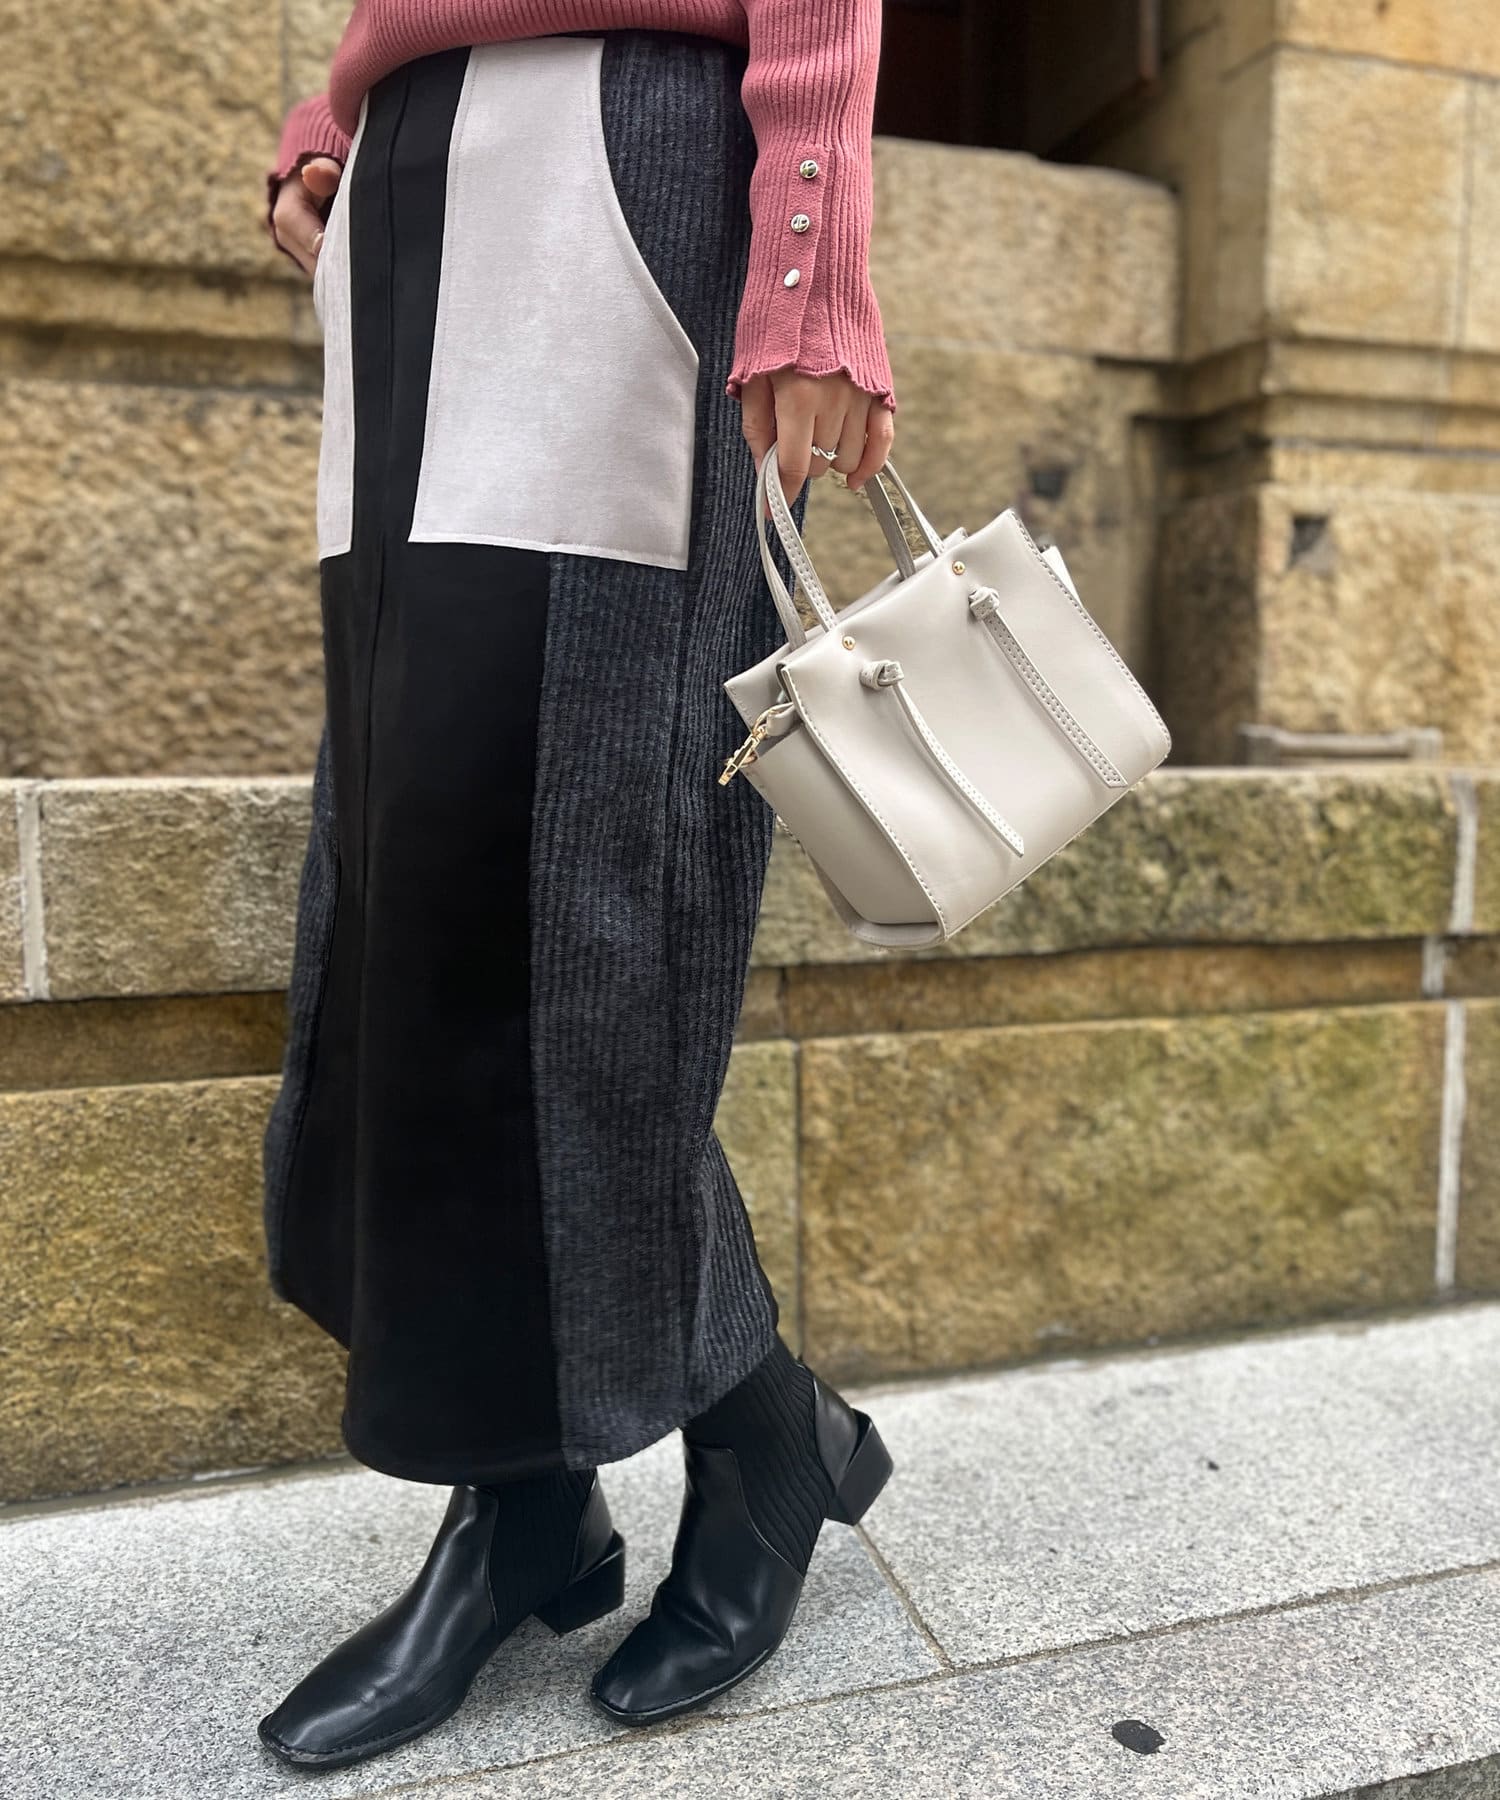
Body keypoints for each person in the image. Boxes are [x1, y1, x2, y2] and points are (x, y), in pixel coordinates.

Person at [256, 0, 897, 1772]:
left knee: (585, 868)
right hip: (412, 198)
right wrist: (341, 105)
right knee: (417, 868)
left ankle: (740, 1441)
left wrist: (812, 260)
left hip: (621, 159)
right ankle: (529, 1496)